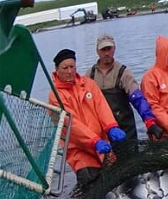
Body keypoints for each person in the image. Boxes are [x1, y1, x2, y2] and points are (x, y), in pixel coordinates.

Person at [48, 49, 126, 185]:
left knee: (115, 183)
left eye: (72, 67)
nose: (69, 71)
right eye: (65, 68)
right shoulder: (55, 96)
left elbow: (102, 108)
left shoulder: (89, 84)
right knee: (90, 185)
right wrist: (94, 141)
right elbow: (72, 125)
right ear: (57, 70)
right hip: (79, 152)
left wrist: (111, 126)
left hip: (103, 146)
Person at [87, 34, 164, 143]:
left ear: (114, 48)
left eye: (109, 49)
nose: (106, 53)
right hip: (103, 133)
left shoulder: (123, 72)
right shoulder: (90, 75)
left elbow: (137, 98)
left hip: (126, 130)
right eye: (103, 50)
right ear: (97, 51)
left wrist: (149, 121)